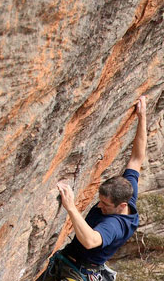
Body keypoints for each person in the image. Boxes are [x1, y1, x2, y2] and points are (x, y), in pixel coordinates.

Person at [39, 96, 147, 281]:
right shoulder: (129, 193)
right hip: (73, 264)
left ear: (121, 205)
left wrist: (71, 207)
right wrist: (142, 117)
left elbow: (90, 241)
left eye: (105, 204)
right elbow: (137, 158)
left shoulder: (114, 225)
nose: (100, 206)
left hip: (74, 272)